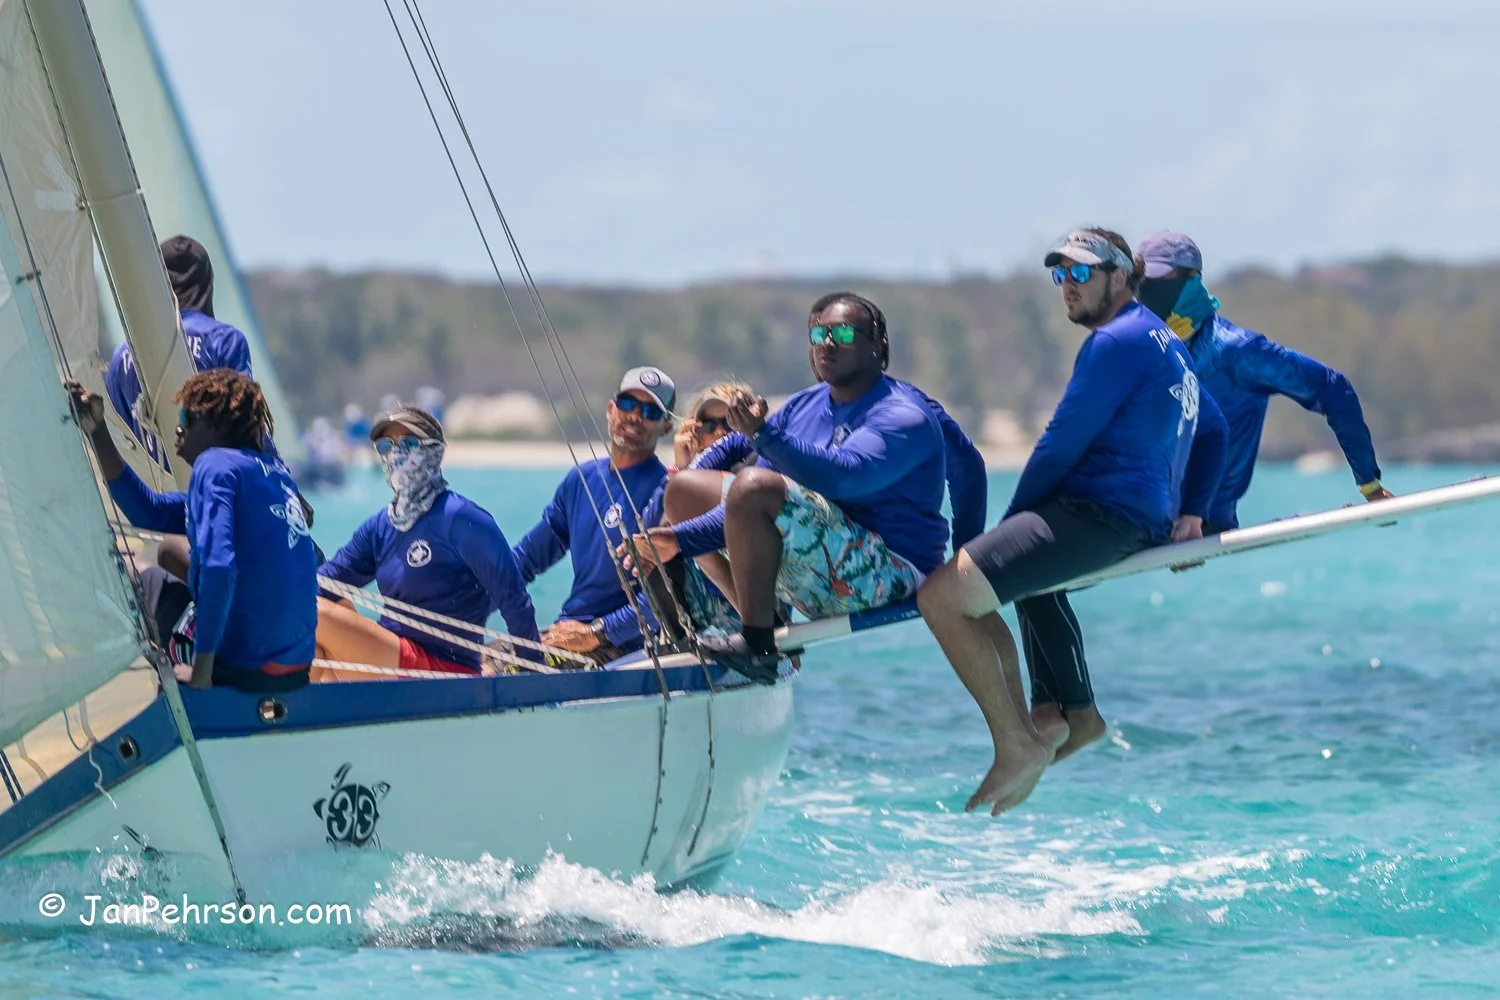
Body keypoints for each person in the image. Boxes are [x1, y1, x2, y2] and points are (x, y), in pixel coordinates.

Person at [916, 228, 1228, 815]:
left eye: (1081, 272)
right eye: (1060, 274)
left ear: (1121, 275)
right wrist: (1192, 512)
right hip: (1126, 515)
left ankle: (1016, 744)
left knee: (943, 597)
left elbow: (1059, 447)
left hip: (1101, 514)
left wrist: (1005, 530)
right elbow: (1213, 429)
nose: (1067, 286)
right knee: (1034, 582)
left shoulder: (1114, 343)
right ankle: (1069, 714)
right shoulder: (1165, 344)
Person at [635, 292, 959, 683]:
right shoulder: (805, 404)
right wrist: (674, 526)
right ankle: (759, 618)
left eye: (840, 332)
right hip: (829, 567)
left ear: (877, 344)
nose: (826, 342)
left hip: (889, 575)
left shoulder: (902, 415)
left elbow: (842, 476)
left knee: (754, 485)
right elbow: (742, 485)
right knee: (684, 491)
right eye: (818, 333)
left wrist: (967, 566)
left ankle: (758, 646)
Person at [69, 370, 318, 692]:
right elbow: (150, 512)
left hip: (245, 669)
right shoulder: (272, 475)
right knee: (169, 550)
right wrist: (98, 431)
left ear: (216, 425)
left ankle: (174, 697)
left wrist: (202, 672)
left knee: (132, 574)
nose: (178, 427)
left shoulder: (213, 466)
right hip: (295, 668)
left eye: (187, 417)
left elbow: (218, 568)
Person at [1135, 231, 1393, 531]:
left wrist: (1369, 485)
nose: (1146, 291)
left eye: (1156, 280)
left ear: (1192, 278)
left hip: (1205, 521)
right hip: (1138, 513)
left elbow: (1333, 388)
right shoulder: (1144, 347)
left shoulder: (1236, 351)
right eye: (1139, 282)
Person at [313, 405, 542, 678]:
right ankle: (292, 710)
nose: (395, 454)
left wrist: (534, 670)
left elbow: (513, 597)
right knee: (320, 605)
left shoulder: (460, 517)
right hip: (396, 658)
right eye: (386, 446)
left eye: (408, 443)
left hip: (446, 669)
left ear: (434, 451)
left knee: (315, 611)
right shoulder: (380, 526)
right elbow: (325, 583)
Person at [512, 367, 677, 665]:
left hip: (624, 646)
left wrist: (596, 633)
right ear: (611, 410)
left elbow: (666, 600)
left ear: (666, 427)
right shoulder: (581, 479)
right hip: (566, 632)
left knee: (500, 675)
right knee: (472, 662)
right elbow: (525, 560)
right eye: (628, 404)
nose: (635, 416)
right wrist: (469, 599)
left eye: (650, 411)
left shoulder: (667, 493)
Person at [105, 236, 261, 468]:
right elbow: (248, 428)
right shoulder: (224, 341)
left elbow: (118, 437)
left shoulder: (123, 355)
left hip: (155, 499)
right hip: (213, 492)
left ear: (157, 281)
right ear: (207, 283)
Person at [672, 382, 750, 470]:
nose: (719, 431)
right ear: (695, 433)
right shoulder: (690, 478)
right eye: (708, 424)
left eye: (730, 422)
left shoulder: (765, 465)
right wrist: (680, 467)